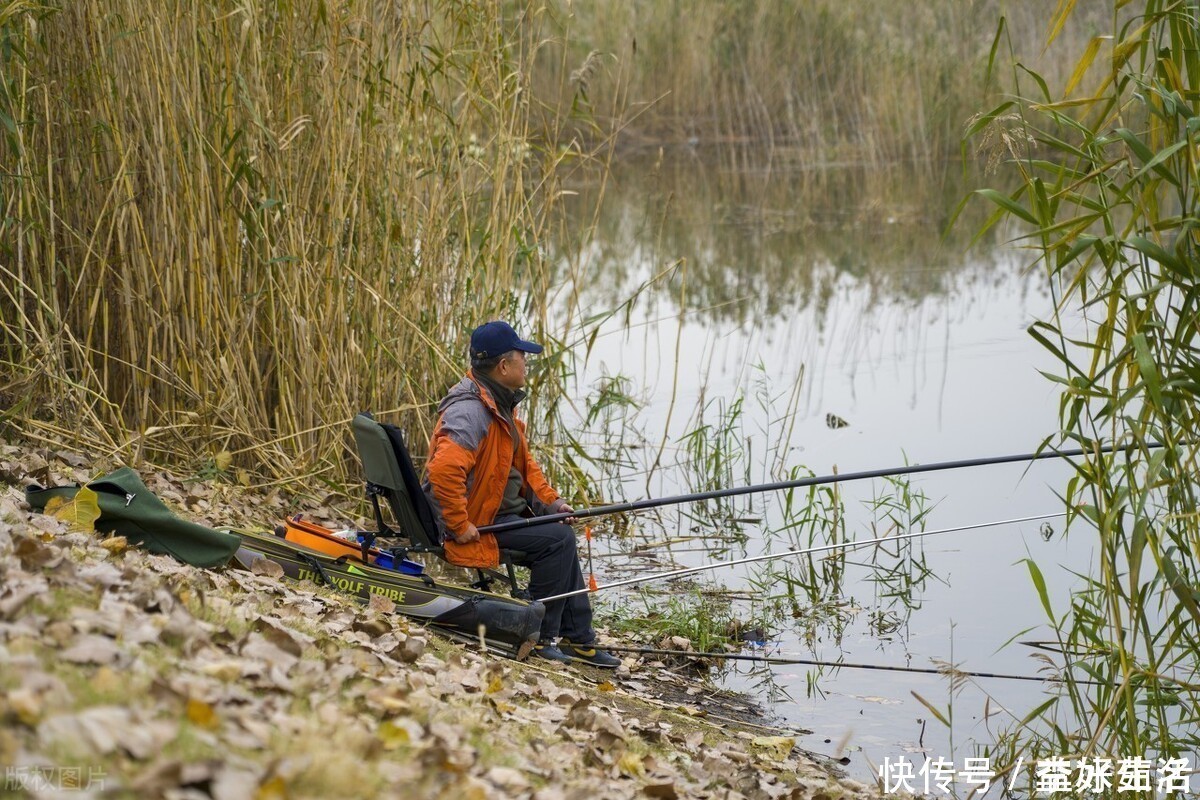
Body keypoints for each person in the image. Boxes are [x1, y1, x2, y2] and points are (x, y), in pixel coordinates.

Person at [423, 320, 620, 668]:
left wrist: (552, 503)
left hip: (497, 513)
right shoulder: (472, 411)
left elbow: (525, 468)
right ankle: (540, 637)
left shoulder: (498, 405)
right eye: (522, 358)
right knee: (558, 540)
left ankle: (580, 639)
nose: (526, 365)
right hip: (481, 521)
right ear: (503, 366)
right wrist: (459, 523)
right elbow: (443, 470)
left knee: (558, 526)